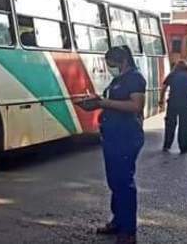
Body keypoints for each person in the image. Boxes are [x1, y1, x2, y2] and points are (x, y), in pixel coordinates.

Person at [76, 45, 145, 244]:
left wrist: (103, 103)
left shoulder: (134, 78)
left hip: (127, 137)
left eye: (111, 64)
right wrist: (95, 102)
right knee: (115, 182)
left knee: (124, 183)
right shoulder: (119, 79)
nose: (109, 68)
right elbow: (111, 102)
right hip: (113, 136)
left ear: (122, 61)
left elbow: (135, 106)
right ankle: (118, 221)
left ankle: (128, 231)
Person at [159, 60, 187, 153]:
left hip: (173, 102)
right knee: (184, 125)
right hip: (185, 103)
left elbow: (164, 88)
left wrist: (161, 100)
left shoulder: (172, 75)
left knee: (170, 124)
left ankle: (167, 145)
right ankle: (183, 148)